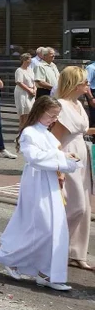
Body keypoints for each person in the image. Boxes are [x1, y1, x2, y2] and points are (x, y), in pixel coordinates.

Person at [0, 96, 78, 291]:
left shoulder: (46, 133)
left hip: (50, 181)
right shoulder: (29, 132)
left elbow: (54, 153)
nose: (54, 119)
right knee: (44, 227)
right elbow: (35, 158)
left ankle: (46, 273)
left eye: (57, 116)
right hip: (37, 181)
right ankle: (12, 259)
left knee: (55, 227)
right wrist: (63, 161)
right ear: (40, 111)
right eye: (52, 115)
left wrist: (66, 158)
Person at [50, 66, 94, 271]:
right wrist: (58, 168)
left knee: (85, 208)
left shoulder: (77, 104)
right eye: (85, 82)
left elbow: (83, 130)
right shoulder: (61, 105)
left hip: (82, 156)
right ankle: (53, 247)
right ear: (75, 84)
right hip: (69, 157)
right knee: (76, 207)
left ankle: (76, 253)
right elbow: (55, 139)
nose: (88, 85)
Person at [14, 52, 37, 127]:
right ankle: (21, 132)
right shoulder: (19, 70)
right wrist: (29, 90)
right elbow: (19, 82)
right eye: (28, 59)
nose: (30, 61)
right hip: (22, 93)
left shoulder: (30, 70)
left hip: (31, 92)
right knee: (24, 114)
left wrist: (34, 89)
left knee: (30, 112)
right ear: (24, 60)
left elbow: (33, 81)